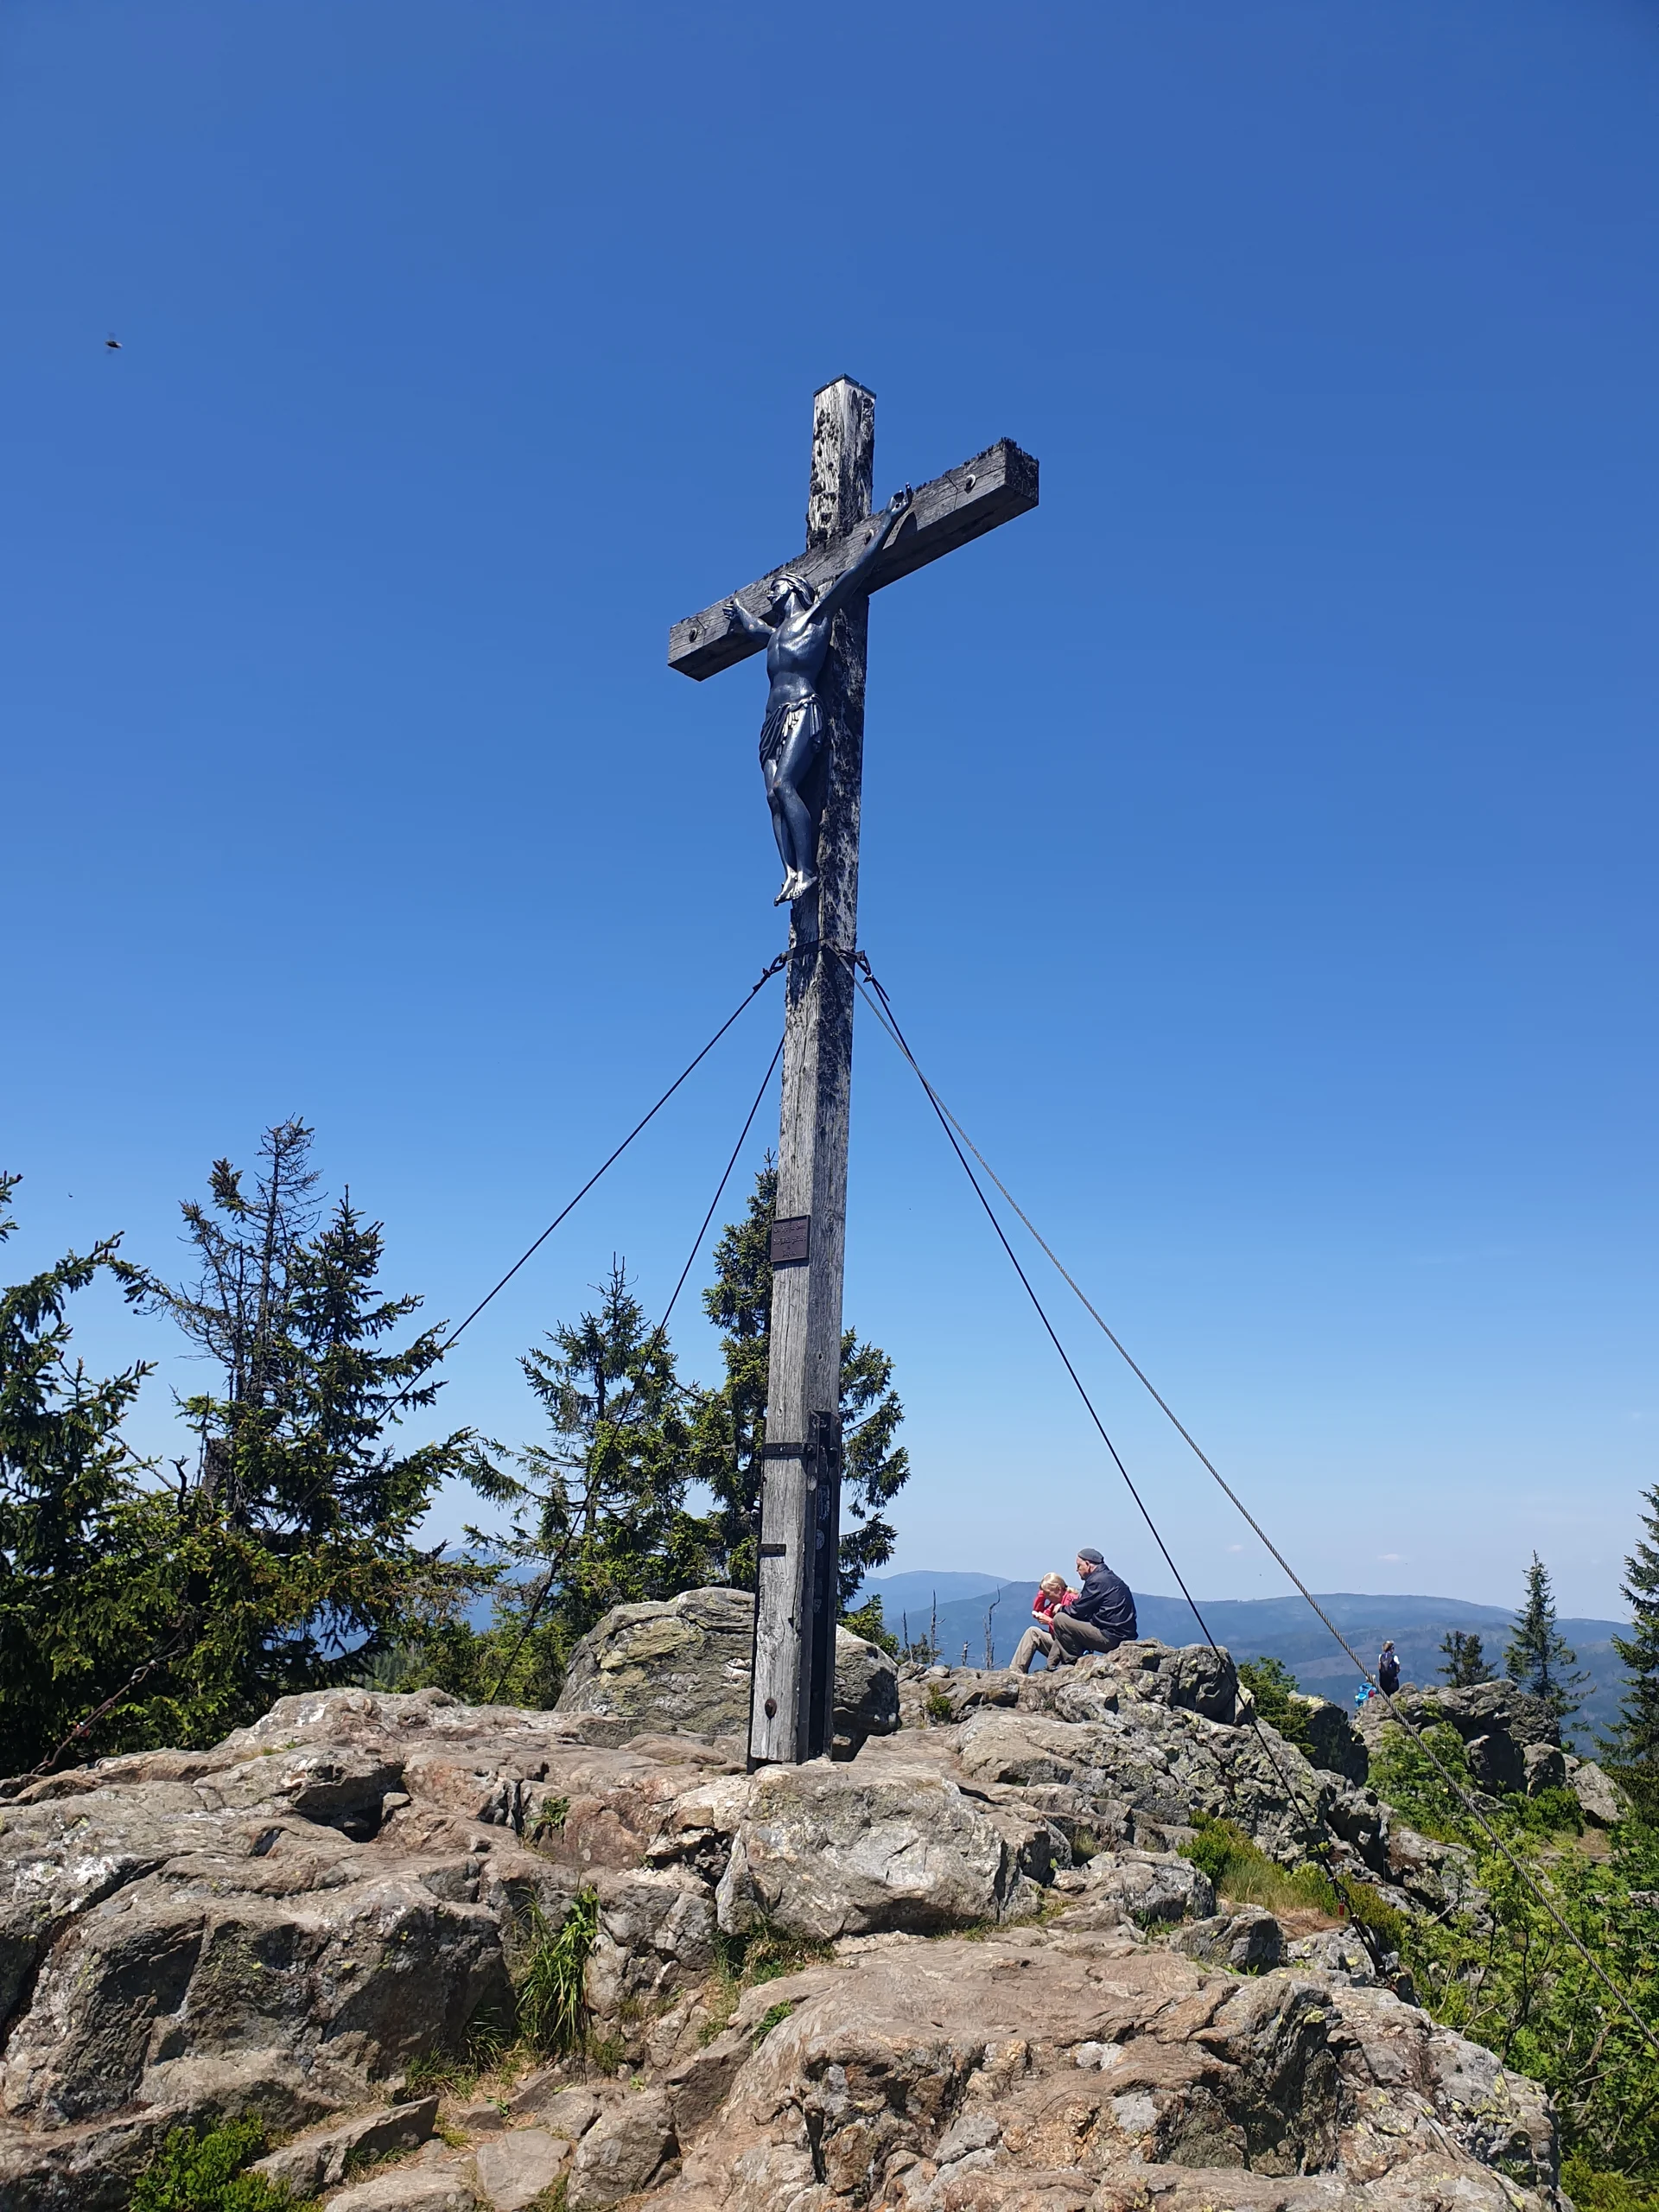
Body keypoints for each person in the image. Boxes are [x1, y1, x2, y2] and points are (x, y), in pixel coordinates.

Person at [727, 485, 912, 906]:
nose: (770, 594)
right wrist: (741, 616)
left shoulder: (815, 618)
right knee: (772, 797)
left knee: (785, 783)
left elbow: (853, 575)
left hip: (802, 710)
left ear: (793, 589)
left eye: (776, 589)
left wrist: (888, 522)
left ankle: (808, 870)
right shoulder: (775, 635)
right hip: (771, 724)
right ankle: (790, 871)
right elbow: (756, 630)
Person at [1050, 1548, 1137, 1664]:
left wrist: (1061, 1608)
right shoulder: (1111, 1579)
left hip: (1110, 1637)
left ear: (1087, 1564)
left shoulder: (1097, 1581)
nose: (1077, 1570)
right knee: (1068, 1622)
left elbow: (1078, 1610)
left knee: (1060, 1619)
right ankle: (1058, 1662)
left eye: (1079, 1566)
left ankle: (1072, 1661)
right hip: (1123, 1635)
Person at [1007, 1573, 1077, 1675]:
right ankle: (1015, 1670)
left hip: (1070, 1648)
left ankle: (1016, 1671)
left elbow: (1071, 1629)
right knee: (1032, 1632)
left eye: (1048, 1594)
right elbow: (1040, 1610)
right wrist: (1042, 1594)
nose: (1047, 1597)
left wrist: (1050, 1621)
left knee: (1033, 1633)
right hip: (1058, 1644)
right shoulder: (1056, 1602)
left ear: (1058, 1589)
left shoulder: (1071, 1600)